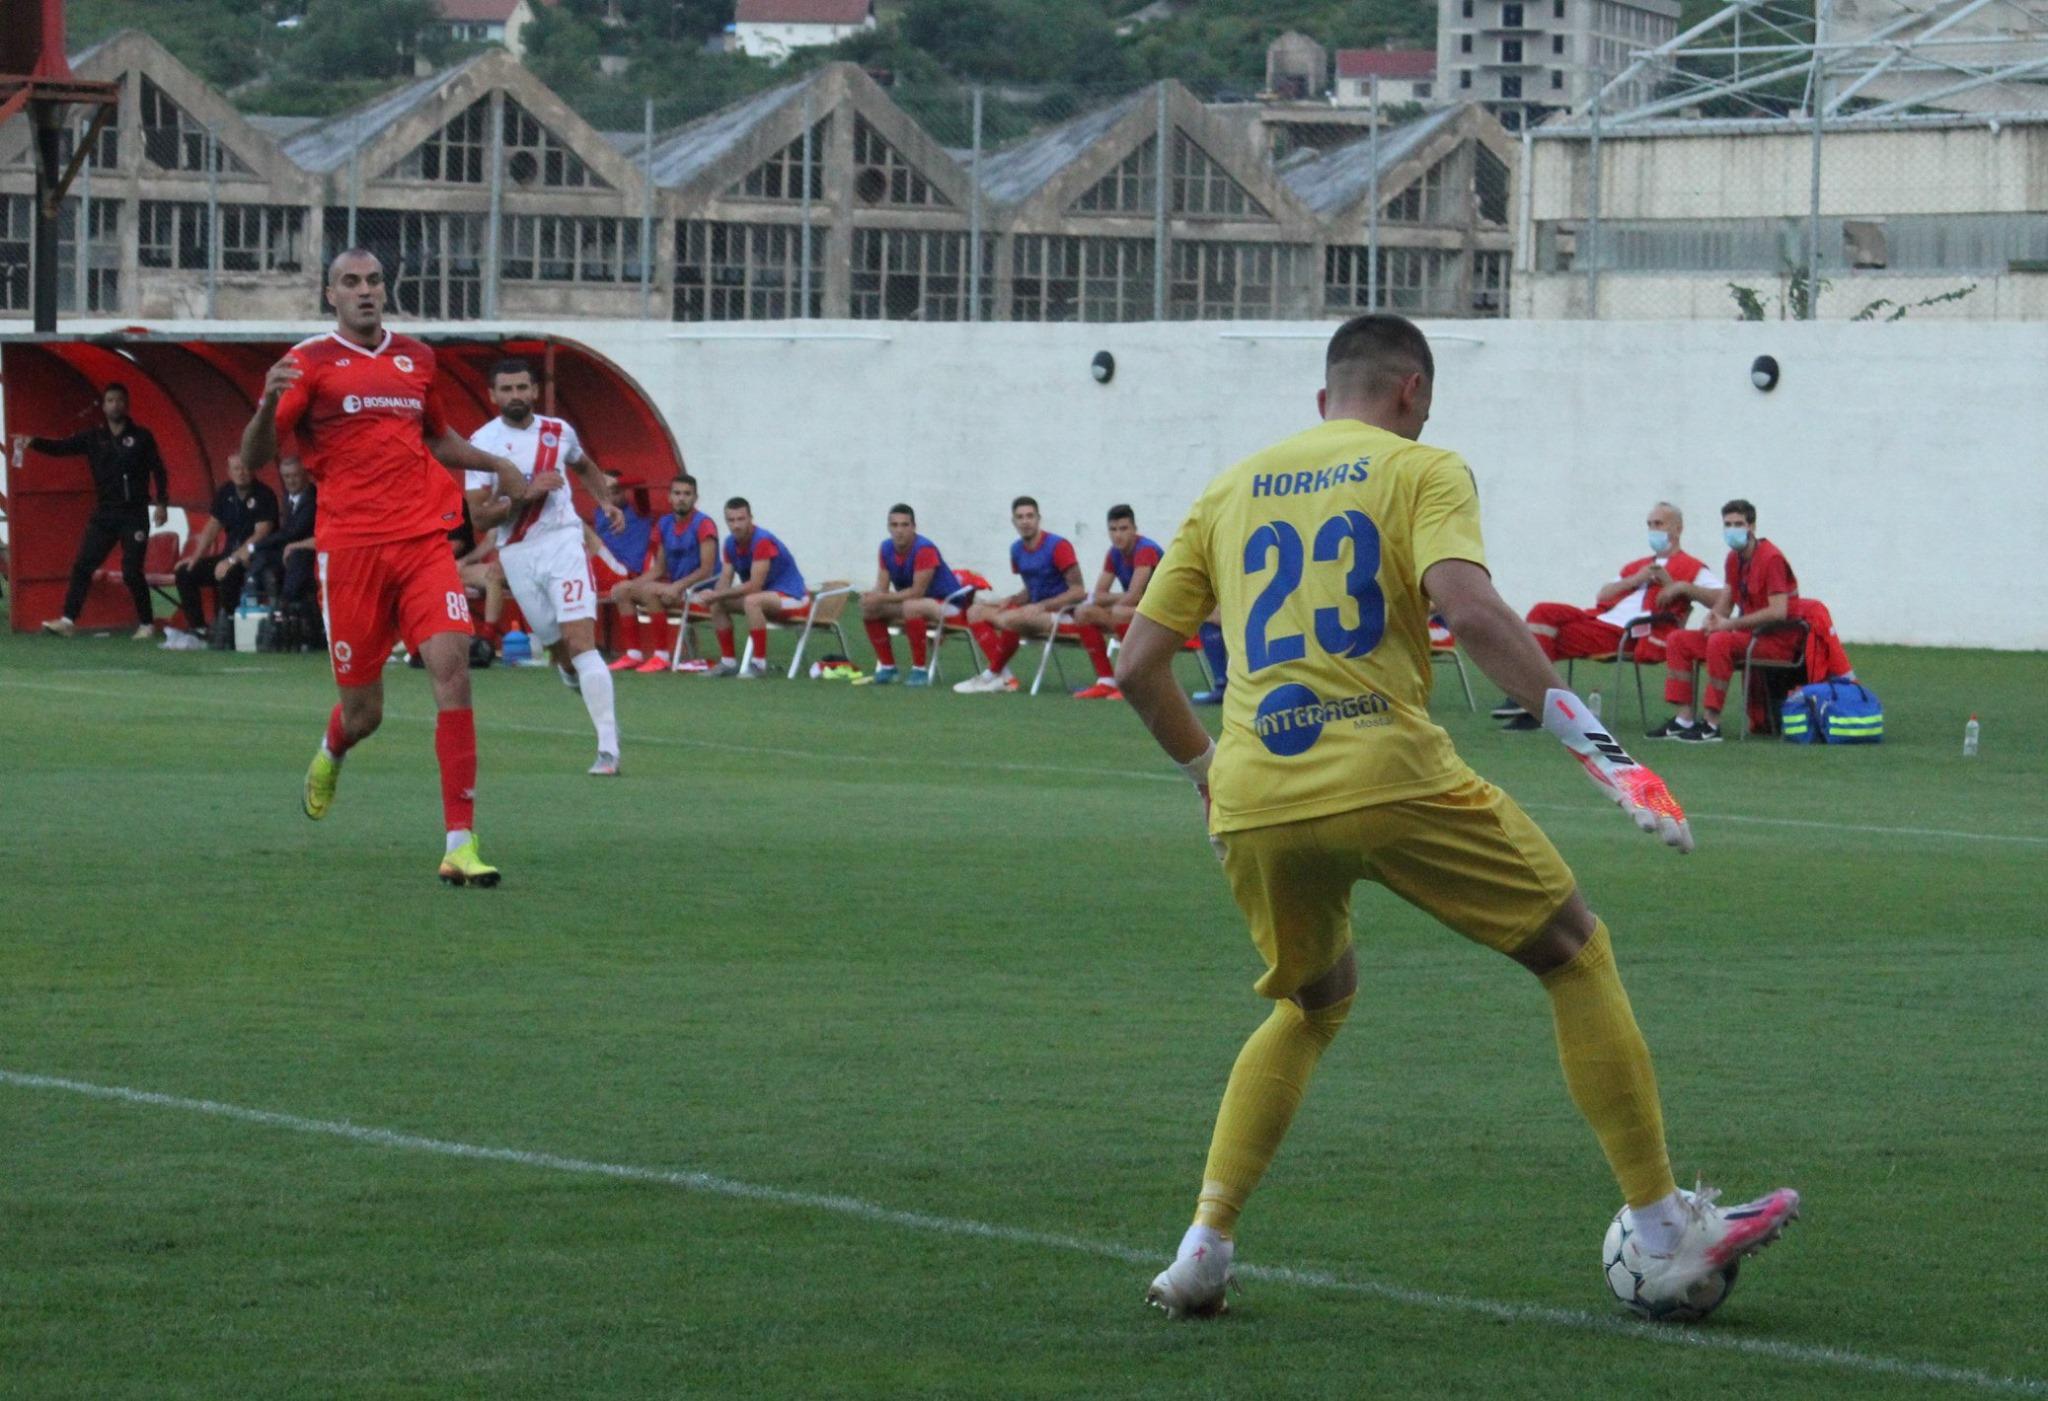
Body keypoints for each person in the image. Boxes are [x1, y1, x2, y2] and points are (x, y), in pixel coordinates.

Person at [1115, 313, 1798, 1321]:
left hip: (1257, 791)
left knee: (1307, 1004)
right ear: (1411, 392)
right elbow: (1468, 612)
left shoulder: (1229, 487)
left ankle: (1202, 1245)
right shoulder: (1421, 467)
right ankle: (1661, 1231)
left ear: (1320, 400)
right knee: (1572, 951)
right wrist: (1604, 755)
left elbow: (1135, 664)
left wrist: (1207, 775)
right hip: (1388, 774)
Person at [239, 247, 549, 887]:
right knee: (364, 714)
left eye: (374, 280)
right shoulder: (307, 363)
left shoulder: (418, 358)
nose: (365, 291)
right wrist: (267, 406)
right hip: (350, 552)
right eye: (351, 282)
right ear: (331, 295)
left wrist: (499, 465)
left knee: (452, 668)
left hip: (420, 543)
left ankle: (460, 843)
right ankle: (332, 749)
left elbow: (437, 438)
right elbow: (260, 453)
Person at [462, 359, 626, 776]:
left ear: (534, 391)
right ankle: (575, 677)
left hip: (563, 544)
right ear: (492, 395)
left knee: (581, 640)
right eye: (506, 389)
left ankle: (608, 750)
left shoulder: (558, 431)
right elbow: (480, 519)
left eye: (522, 388)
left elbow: (585, 466)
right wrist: (524, 494)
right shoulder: (481, 445)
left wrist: (604, 501)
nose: (515, 396)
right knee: (562, 653)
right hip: (517, 553)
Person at [1495, 502, 1720, 728]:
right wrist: (1636, 579)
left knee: (1546, 636)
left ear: (1678, 529)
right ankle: (1537, 701)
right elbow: (1603, 594)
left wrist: (1682, 587)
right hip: (1599, 619)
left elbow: (1720, 597)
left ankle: (1532, 701)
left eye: (1659, 524)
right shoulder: (1637, 566)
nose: (1653, 529)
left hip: (1631, 631)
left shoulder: (1691, 566)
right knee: (1542, 612)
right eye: (1650, 524)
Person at [20, 383, 168, 639]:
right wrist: (33, 442)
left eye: (119, 400)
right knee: (83, 565)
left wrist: (162, 503)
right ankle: (67, 620)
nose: (115, 405)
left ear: (126, 404)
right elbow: (62, 447)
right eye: (110, 400)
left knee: (132, 570)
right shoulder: (94, 437)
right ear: (104, 405)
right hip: (105, 513)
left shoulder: (142, 436)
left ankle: (146, 623)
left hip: (134, 513)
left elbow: (159, 470)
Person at [1650, 499, 1800, 744]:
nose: (1732, 529)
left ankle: (1711, 724)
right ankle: (1683, 719)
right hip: (1746, 636)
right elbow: (1726, 602)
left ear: (1752, 526)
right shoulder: (1734, 559)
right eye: (1727, 524)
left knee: (1721, 641)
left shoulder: (1771, 558)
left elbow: (1779, 611)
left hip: (1776, 640)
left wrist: (1727, 625)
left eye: (1738, 524)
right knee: (1679, 639)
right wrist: (1712, 620)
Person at [953, 496, 1086, 694]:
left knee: (1011, 618)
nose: (1025, 521)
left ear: (1039, 518)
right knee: (975, 611)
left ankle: (989, 676)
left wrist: (1042, 606)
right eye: (1020, 517)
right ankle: (1004, 677)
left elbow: (1078, 591)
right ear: (1013, 521)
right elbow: (1031, 590)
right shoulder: (1016, 550)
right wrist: (1012, 600)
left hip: (1063, 615)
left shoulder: (1059, 546)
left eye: (1030, 516)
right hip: (1031, 612)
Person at [608, 474, 720, 674]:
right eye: (677, 493)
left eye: (687, 494)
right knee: (623, 590)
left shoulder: (704, 524)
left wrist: (677, 586)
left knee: (651, 591)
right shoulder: (664, 524)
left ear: (695, 498)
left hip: (702, 591)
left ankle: (661, 656)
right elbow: (659, 569)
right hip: (675, 588)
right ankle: (633, 655)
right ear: (669, 497)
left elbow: (707, 570)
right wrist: (632, 585)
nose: (681, 498)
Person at [860, 503, 972, 686]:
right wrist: (872, 597)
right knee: (869, 609)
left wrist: (881, 597)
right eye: (894, 525)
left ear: (913, 527)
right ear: (888, 527)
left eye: (904, 525)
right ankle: (888, 668)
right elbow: (881, 586)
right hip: (916, 603)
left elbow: (917, 592)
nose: (899, 530)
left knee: (912, 606)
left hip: (950, 606)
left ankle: (919, 670)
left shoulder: (924, 549)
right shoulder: (886, 548)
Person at [697, 497, 809, 679]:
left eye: (741, 519)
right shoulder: (729, 543)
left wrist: (717, 594)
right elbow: (725, 578)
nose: (736, 525)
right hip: (766, 599)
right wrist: (713, 596)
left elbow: (754, 586)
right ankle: (728, 662)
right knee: (718, 603)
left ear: (751, 518)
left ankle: (759, 664)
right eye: (731, 520)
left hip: (794, 599)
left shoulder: (762, 540)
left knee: (752, 600)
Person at [174, 453, 279, 643]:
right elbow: (212, 526)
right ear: (229, 472)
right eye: (237, 469)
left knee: (229, 573)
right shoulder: (225, 492)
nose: (242, 473)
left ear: (253, 470)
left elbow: (261, 533)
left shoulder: (264, 494)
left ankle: (229, 628)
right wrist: (195, 557)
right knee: (185, 572)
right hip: (228, 556)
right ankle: (199, 628)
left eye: (246, 468)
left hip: (253, 559)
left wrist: (232, 559)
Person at [1070, 504, 1164, 701]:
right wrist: (1115, 601)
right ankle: (1106, 681)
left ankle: (1134, 683)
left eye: (1123, 529)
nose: (1118, 535)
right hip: (1136, 614)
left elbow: (1136, 595)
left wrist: (1113, 602)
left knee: (1120, 612)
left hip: (1164, 615)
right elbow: (1098, 595)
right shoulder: (1114, 553)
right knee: (1083, 612)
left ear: (1134, 529)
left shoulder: (1145, 550)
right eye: (1113, 530)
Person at [587, 470, 654, 670]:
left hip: (625, 572)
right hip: (603, 571)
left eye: (616, 491)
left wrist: (616, 481)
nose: (611, 498)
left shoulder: (639, 509)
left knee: (581, 530)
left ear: (625, 492)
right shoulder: (601, 511)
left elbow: (642, 480)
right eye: (605, 493)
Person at [250, 455, 319, 616]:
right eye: (286, 476)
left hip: (310, 551)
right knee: (263, 557)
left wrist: (255, 545)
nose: (291, 481)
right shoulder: (287, 497)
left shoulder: (313, 497)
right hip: (290, 549)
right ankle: (255, 596)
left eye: (295, 475)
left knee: (296, 556)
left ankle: (285, 605)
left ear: (305, 475)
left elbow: (294, 532)